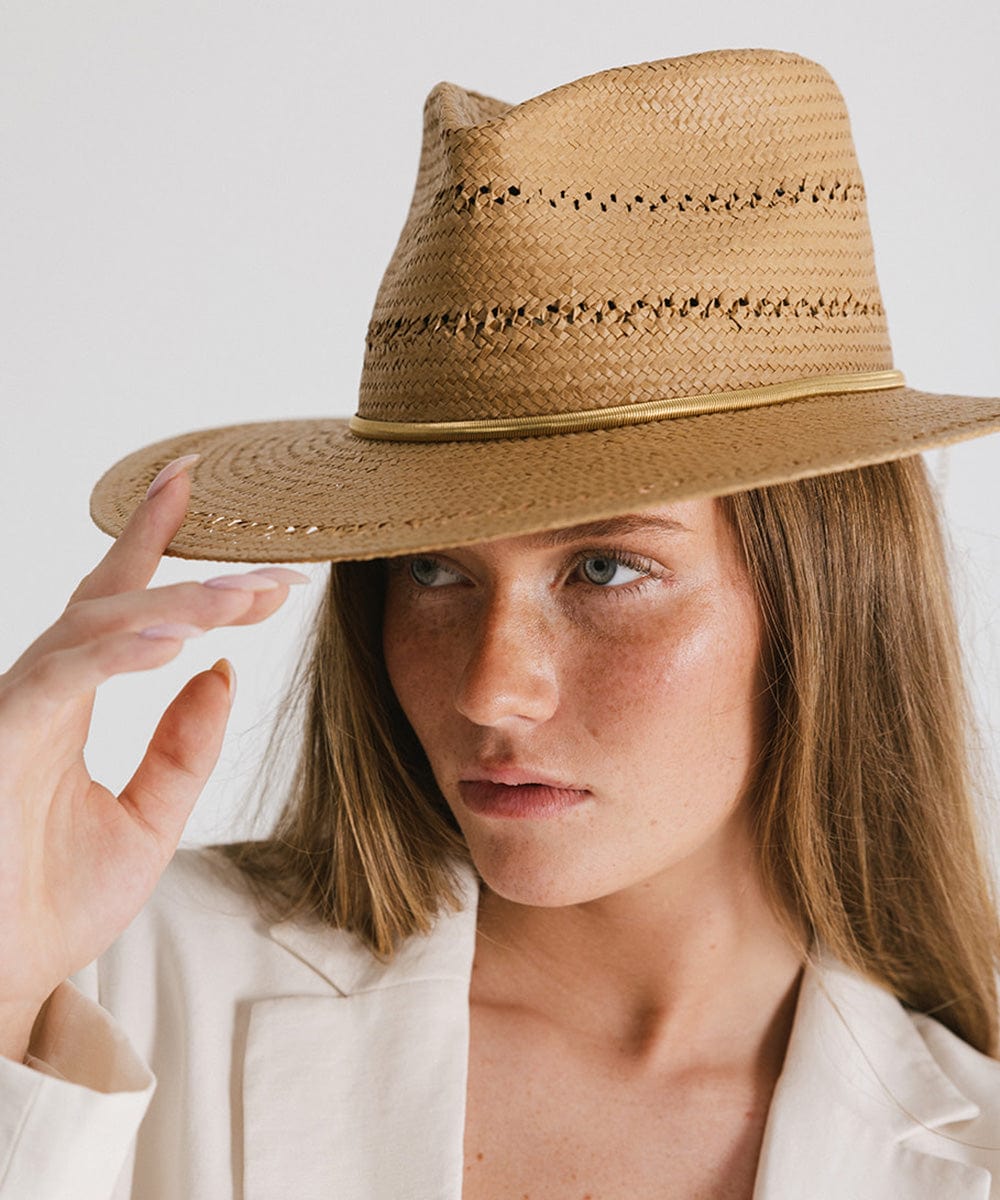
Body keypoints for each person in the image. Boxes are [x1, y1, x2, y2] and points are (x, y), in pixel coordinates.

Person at [2, 45, 1000, 1200]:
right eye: (433, 569)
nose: (489, 688)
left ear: (829, 601)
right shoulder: (110, 985)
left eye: (605, 569)